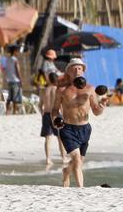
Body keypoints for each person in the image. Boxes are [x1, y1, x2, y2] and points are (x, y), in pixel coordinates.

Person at [51, 57, 106, 188]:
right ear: (68, 71)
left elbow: (96, 112)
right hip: (68, 128)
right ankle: (80, 189)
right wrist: (55, 119)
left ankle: (66, 171)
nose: (78, 70)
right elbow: (54, 110)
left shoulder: (90, 89)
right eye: (74, 68)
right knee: (76, 159)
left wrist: (102, 106)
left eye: (80, 68)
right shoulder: (61, 90)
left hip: (85, 129)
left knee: (79, 161)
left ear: (83, 71)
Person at [40, 71, 63, 165]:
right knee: (60, 138)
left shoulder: (44, 90)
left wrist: (42, 113)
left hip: (46, 114)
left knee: (48, 138)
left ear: (49, 79)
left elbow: (39, 104)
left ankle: (48, 159)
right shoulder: (58, 90)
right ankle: (64, 157)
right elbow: (61, 104)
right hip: (56, 114)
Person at [0, 45, 23, 114]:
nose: (18, 53)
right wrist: (21, 80)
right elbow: (17, 70)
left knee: (9, 97)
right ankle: (14, 111)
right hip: (15, 80)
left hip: (9, 80)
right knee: (15, 97)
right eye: (17, 52)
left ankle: (7, 111)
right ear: (15, 51)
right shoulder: (15, 60)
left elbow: (5, 69)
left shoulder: (8, 59)